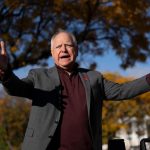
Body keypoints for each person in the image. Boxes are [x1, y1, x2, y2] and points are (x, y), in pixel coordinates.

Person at [0, 29, 150, 150]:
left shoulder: (93, 77)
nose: (63, 49)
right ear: (52, 53)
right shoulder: (39, 76)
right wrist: (6, 72)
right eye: (58, 46)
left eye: (68, 45)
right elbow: (17, 88)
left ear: (76, 50)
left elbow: (122, 90)